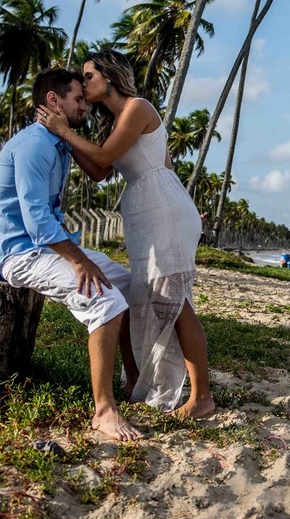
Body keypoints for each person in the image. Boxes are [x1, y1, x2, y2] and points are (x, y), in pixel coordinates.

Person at [37, 50, 215, 419]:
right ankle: (146, 381)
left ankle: (202, 398)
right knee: (154, 297)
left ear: (109, 77)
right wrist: (64, 137)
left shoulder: (137, 107)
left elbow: (102, 158)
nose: (83, 84)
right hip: (147, 213)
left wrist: (64, 131)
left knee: (174, 301)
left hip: (164, 210)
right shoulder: (116, 122)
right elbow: (101, 172)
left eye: (88, 77)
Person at [0, 66, 142, 441]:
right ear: (53, 101)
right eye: (77, 99)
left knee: (130, 287)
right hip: (21, 254)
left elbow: (101, 170)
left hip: (47, 248)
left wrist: (68, 134)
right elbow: (37, 221)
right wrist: (79, 260)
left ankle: (133, 379)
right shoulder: (34, 145)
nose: (84, 106)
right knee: (104, 301)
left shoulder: (58, 142)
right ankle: (103, 412)